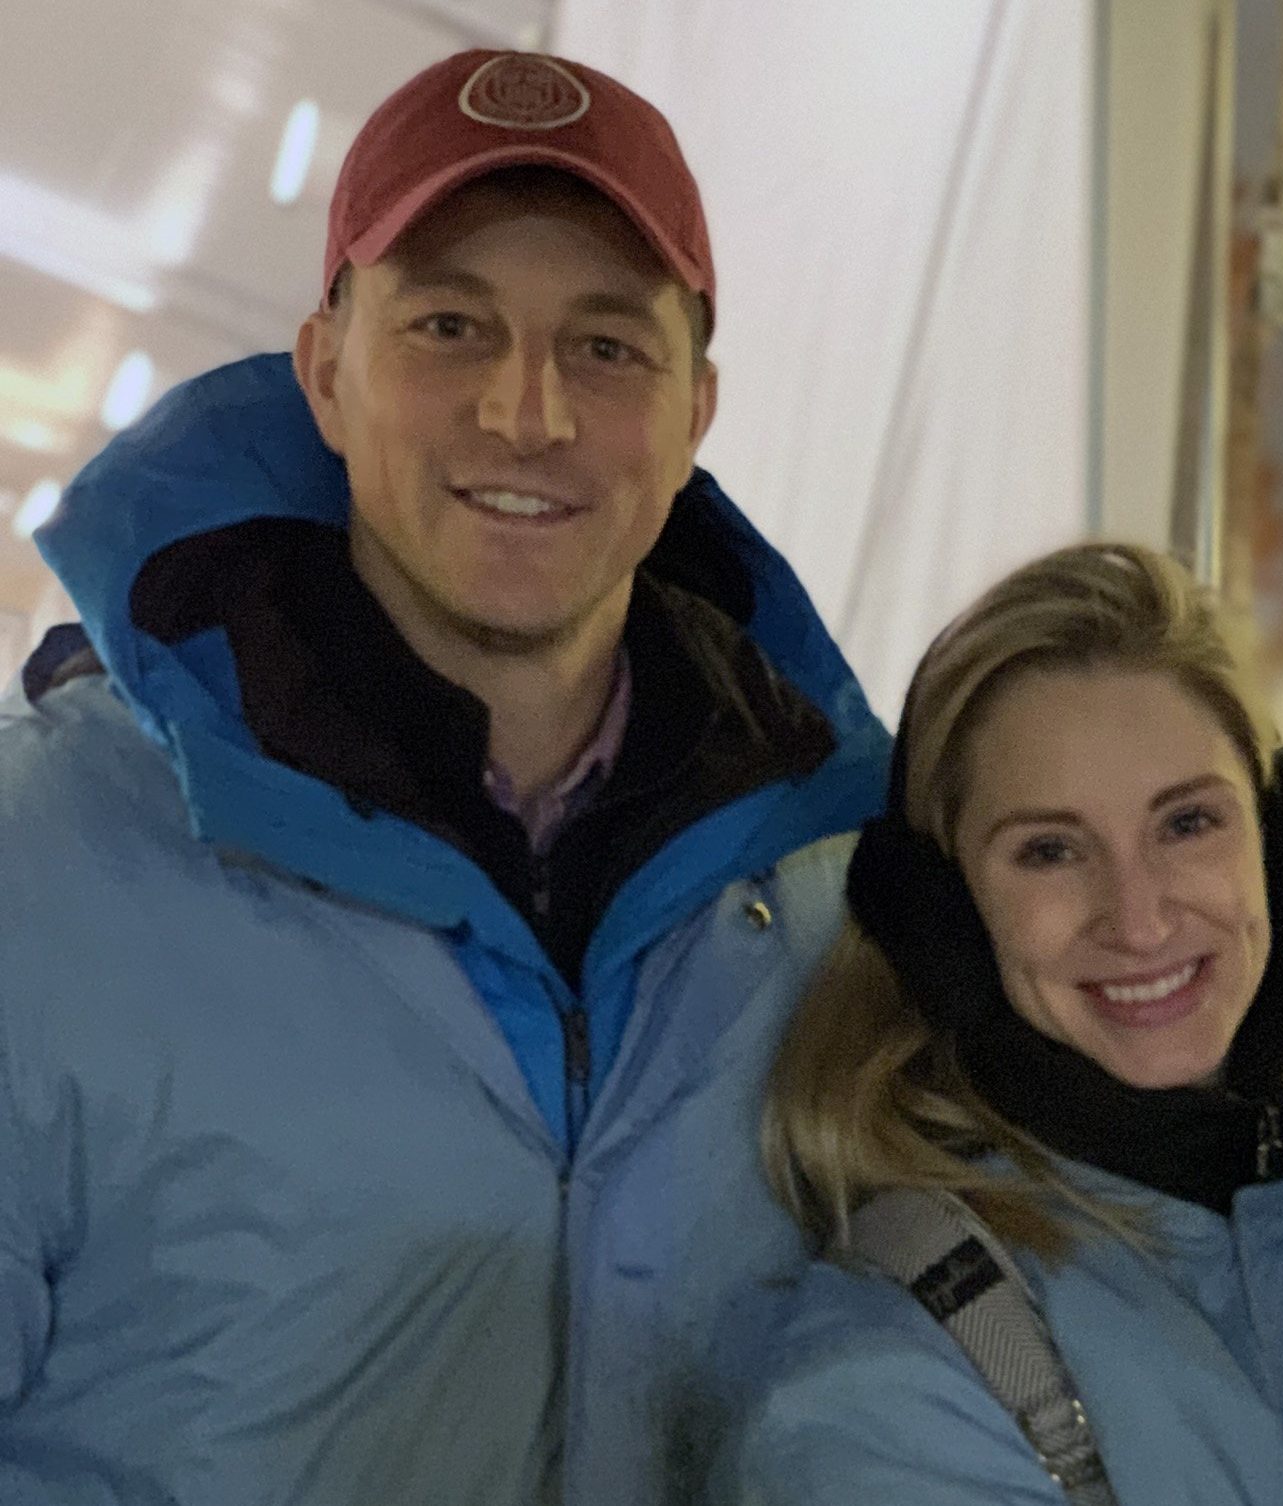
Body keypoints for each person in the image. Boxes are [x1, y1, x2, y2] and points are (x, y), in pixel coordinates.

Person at [0, 49, 887, 1505]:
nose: (525, 410)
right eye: (450, 325)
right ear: (325, 372)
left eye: (607, 346)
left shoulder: (840, 901)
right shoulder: (44, 862)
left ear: (696, 414)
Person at [705, 542, 1283, 1505]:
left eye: (1188, 823)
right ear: (945, 913)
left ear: (1281, 848)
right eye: (1050, 851)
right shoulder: (886, 1388)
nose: (1140, 918)